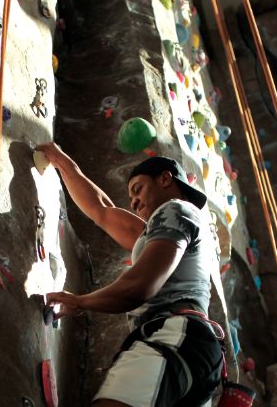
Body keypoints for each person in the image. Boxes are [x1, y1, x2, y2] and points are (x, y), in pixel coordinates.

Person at [37, 142, 223, 407]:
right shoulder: (162, 234)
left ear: (165, 179)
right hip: (194, 357)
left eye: (138, 189)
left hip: (178, 336)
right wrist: (64, 163)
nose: (134, 201)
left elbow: (141, 285)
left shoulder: (176, 210)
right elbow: (102, 211)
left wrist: (81, 302)